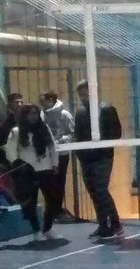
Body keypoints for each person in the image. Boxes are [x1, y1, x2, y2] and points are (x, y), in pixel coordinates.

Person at [73, 80, 124, 240]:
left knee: (101, 189)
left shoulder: (107, 109)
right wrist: (80, 153)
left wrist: (99, 146)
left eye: (86, 94)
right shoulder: (80, 113)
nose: (83, 98)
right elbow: (78, 135)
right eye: (81, 95)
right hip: (86, 158)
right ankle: (103, 225)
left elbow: (116, 133)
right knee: (93, 191)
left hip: (103, 157)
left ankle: (115, 222)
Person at [4, 103, 61, 238]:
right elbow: (10, 151)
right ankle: (36, 230)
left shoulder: (44, 128)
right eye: (30, 114)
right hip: (27, 172)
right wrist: (18, 165)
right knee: (30, 203)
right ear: (24, 115)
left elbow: (52, 146)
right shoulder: (16, 131)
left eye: (35, 113)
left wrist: (55, 164)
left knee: (53, 199)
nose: (33, 116)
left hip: (46, 168)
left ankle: (48, 228)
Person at [38, 91, 73, 226]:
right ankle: (52, 211)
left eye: (43, 101)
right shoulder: (41, 115)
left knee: (59, 182)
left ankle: (57, 210)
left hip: (61, 153)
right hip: (47, 155)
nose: (42, 104)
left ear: (51, 100)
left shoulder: (64, 114)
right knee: (49, 183)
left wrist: (59, 141)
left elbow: (72, 133)